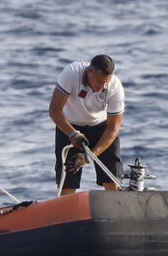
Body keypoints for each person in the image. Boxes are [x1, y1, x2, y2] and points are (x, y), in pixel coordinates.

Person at [48, 54, 124, 193]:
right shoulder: (71, 73)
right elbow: (54, 110)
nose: (103, 86)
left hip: (102, 129)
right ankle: (67, 212)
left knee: (112, 178)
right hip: (69, 127)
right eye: (99, 81)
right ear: (89, 72)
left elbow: (113, 129)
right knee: (67, 182)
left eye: (106, 82)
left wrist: (88, 157)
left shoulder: (115, 87)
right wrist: (72, 134)